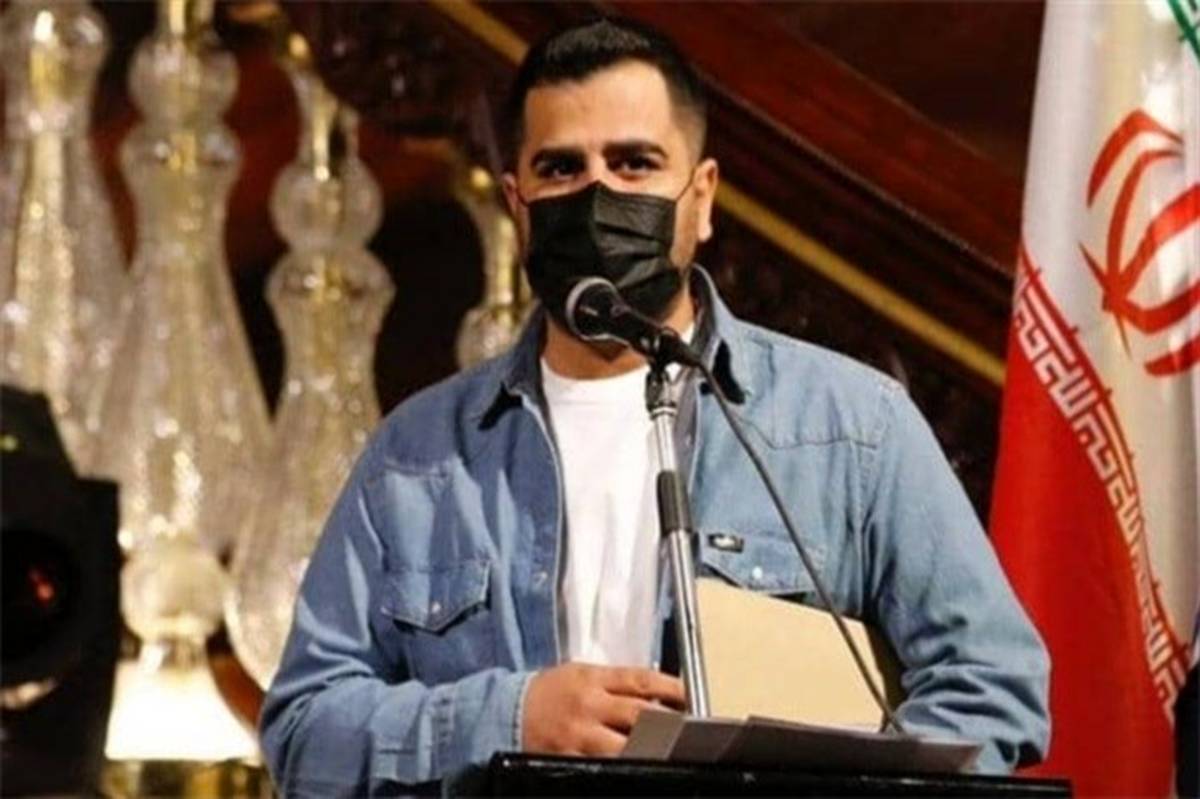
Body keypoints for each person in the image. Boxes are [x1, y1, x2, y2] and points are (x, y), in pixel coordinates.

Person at [259, 17, 1050, 796]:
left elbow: (992, 684)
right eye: (562, 168)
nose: (598, 194)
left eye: (634, 163)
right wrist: (510, 716)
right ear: (518, 204)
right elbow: (303, 729)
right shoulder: (417, 456)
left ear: (701, 198)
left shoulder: (854, 427)